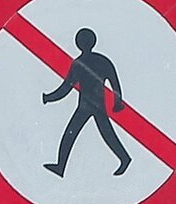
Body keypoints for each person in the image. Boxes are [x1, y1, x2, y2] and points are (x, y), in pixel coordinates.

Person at [42, 27, 131, 177]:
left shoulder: (79, 63)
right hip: (94, 104)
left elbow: (66, 88)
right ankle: (124, 158)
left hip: (87, 105)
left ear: (78, 43)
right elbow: (115, 84)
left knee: (73, 133)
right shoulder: (103, 61)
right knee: (104, 133)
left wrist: (49, 98)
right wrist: (118, 101)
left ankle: (61, 166)